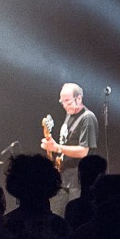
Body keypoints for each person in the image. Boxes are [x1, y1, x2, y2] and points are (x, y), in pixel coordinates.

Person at [40, 83, 99, 216]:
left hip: (78, 180)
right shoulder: (69, 115)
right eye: (62, 102)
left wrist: (56, 147)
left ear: (79, 98)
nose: (65, 105)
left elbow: (83, 151)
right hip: (63, 177)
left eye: (68, 101)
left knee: (75, 217)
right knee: (55, 215)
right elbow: (66, 142)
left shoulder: (87, 118)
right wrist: (52, 145)